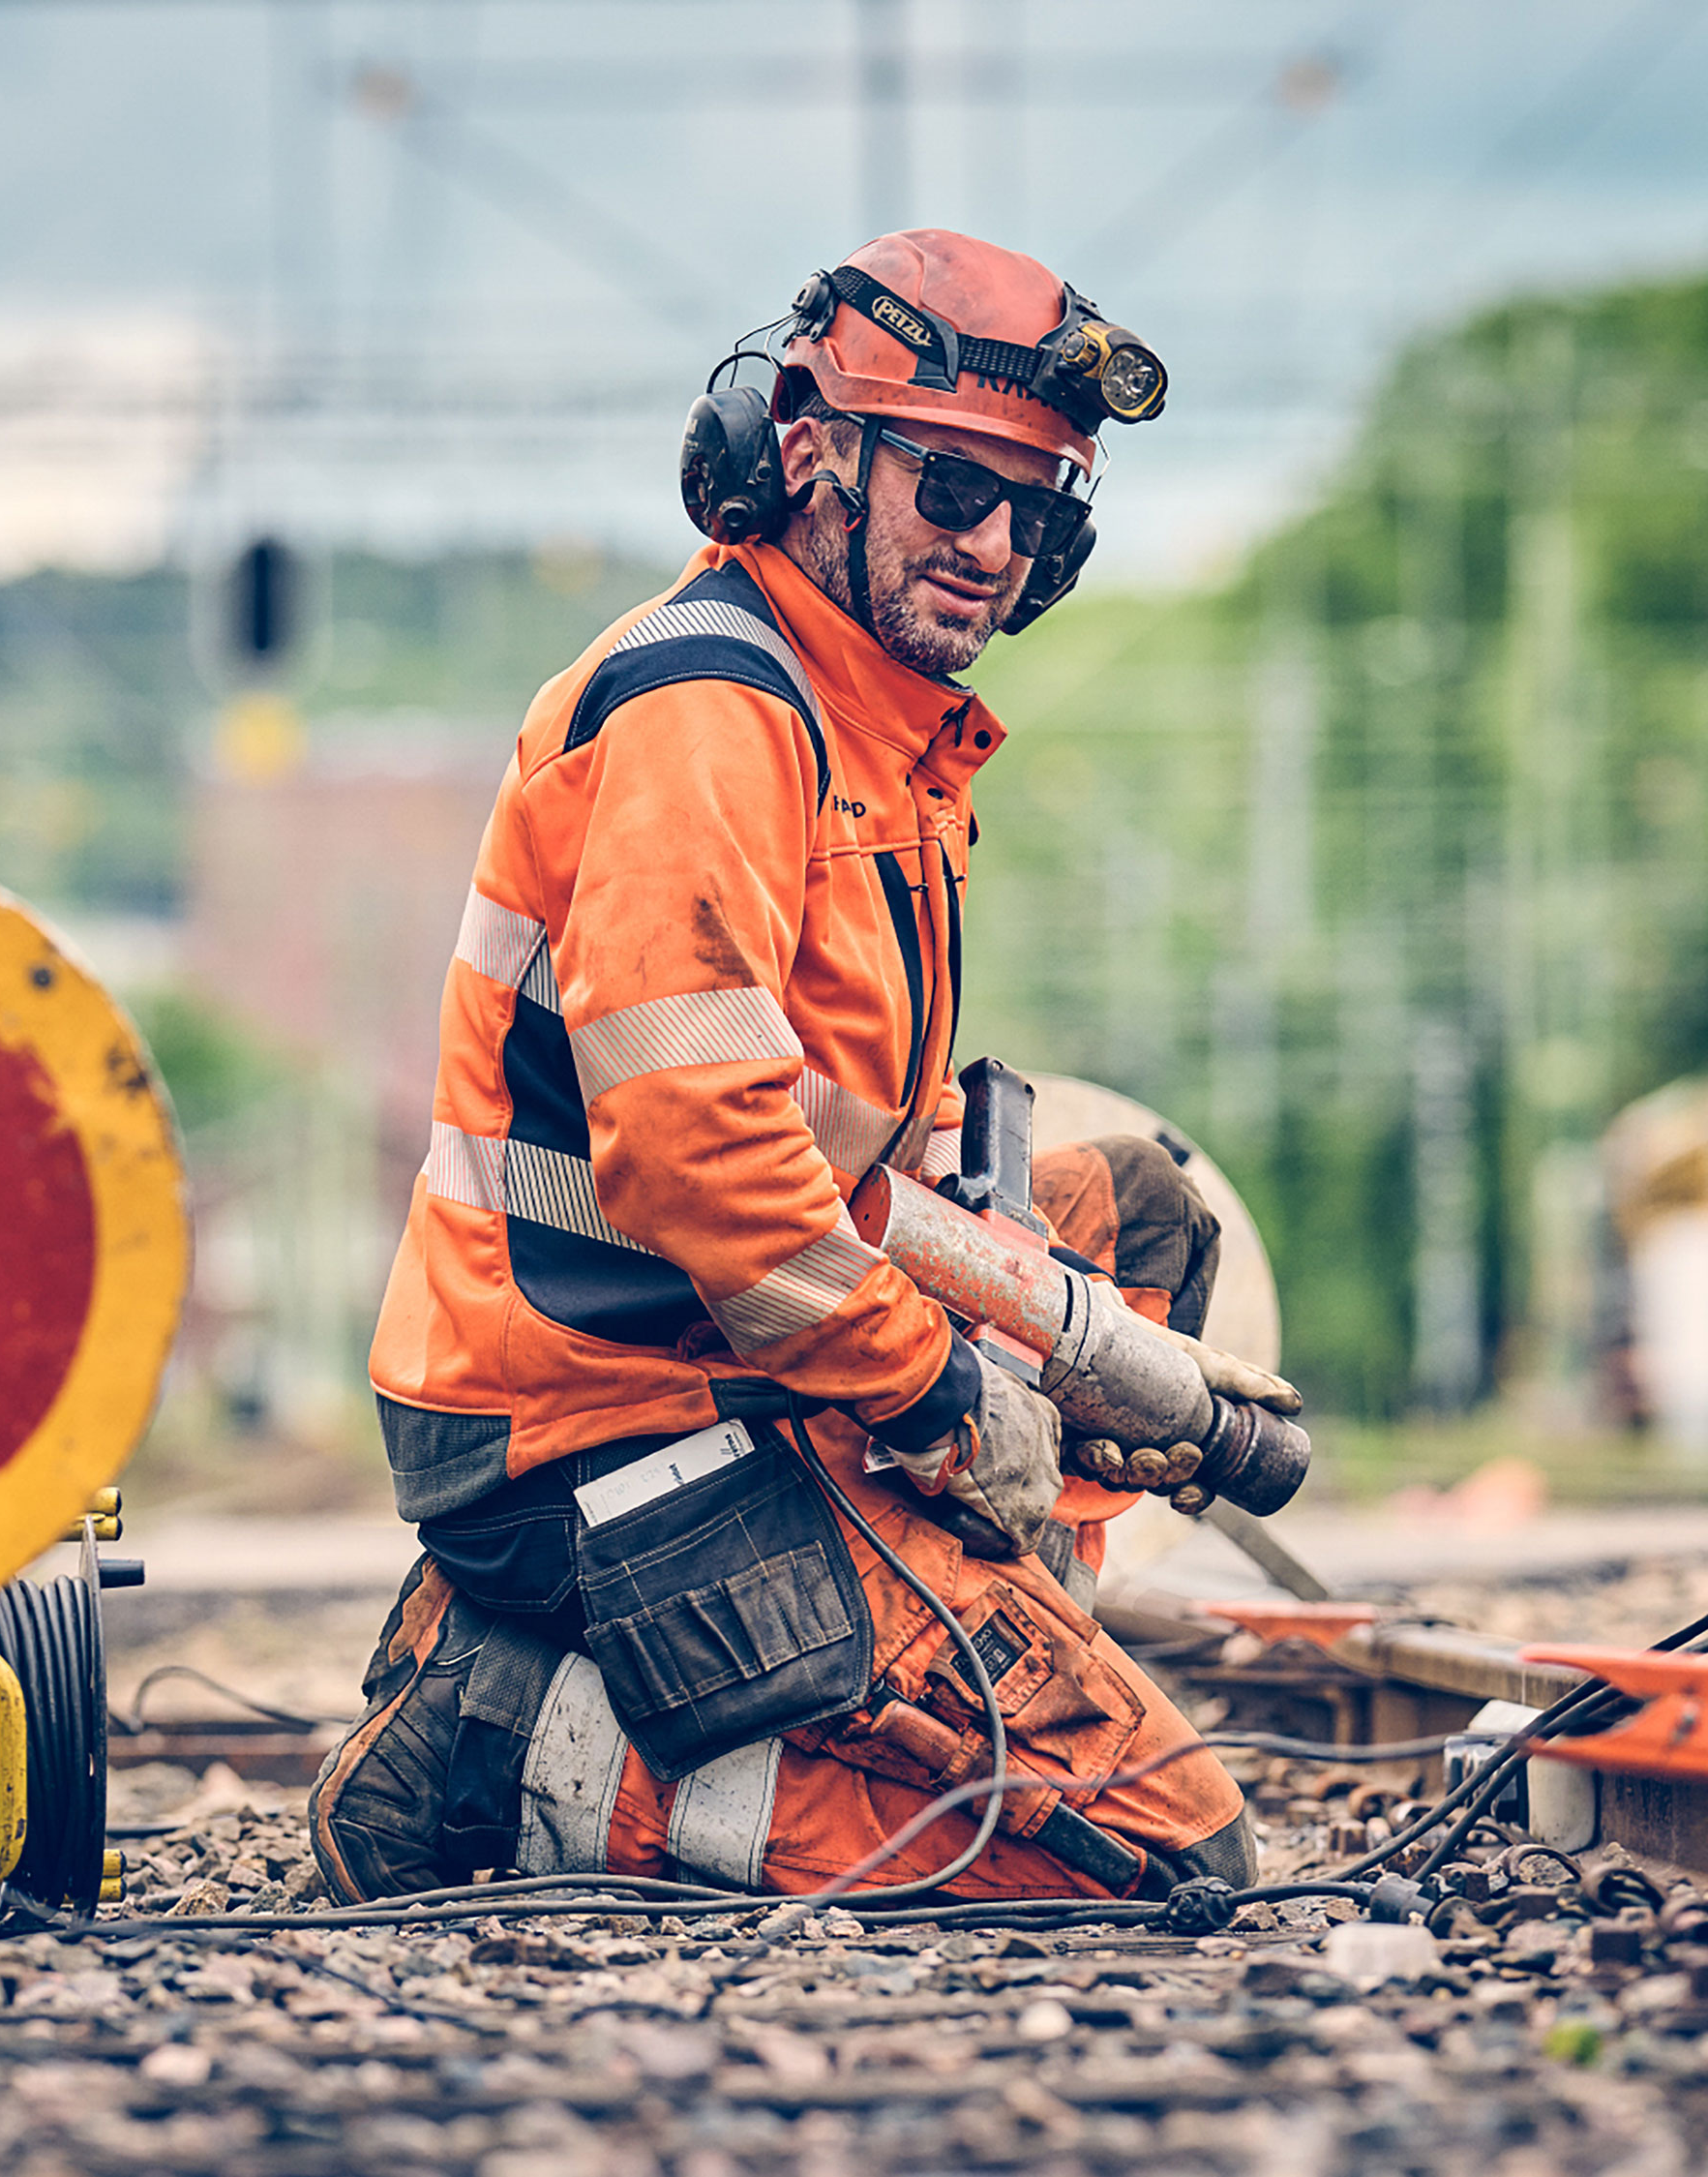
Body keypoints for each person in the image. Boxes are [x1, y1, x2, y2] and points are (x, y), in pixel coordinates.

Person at [311, 229, 1295, 1907]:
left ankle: (963, 1612)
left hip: (714, 1329)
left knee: (1131, 1213)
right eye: (955, 491)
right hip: (582, 1406)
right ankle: (499, 1741)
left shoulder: (875, 723)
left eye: (1037, 510)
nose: (994, 546)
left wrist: (1084, 1338)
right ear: (812, 457)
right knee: (1160, 1853)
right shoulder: (714, 717)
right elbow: (701, 1158)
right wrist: (937, 1387)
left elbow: (825, 1144)